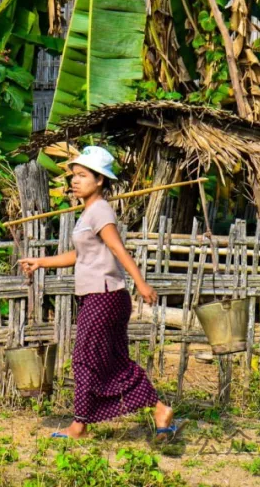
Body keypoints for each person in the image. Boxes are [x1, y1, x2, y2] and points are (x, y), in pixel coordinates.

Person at [19, 145, 180, 441]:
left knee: (84, 358)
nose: (75, 181)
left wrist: (141, 283)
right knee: (112, 361)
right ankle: (160, 410)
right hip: (101, 296)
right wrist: (41, 262)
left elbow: (117, 248)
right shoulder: (88, 213)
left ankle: (79, 425)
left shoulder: (100, 211)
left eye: (82, 175)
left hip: (104, 295)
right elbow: (81, 255)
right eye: (74, 175)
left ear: (100, 180)